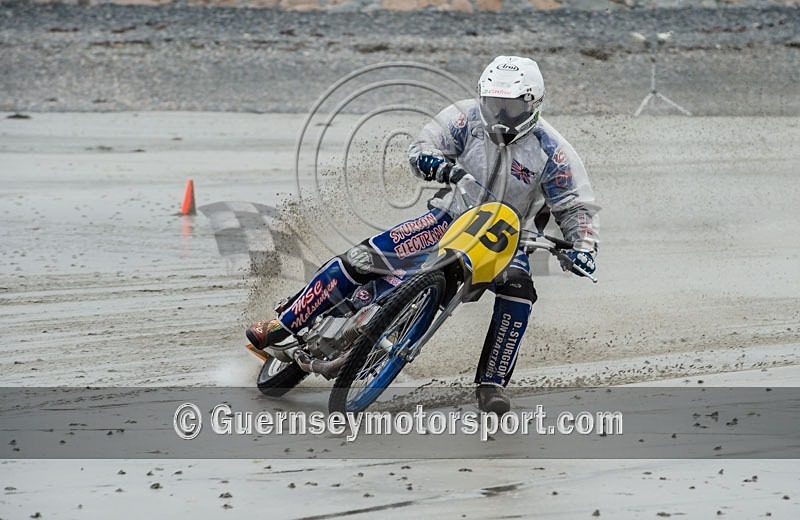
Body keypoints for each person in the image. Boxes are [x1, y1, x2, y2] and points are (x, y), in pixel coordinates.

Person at [247, 56, 599, 414]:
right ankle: (284, 322)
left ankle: (492, 383)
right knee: (363, 258)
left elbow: (575, 207)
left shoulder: (554, 152)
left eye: (510, 107)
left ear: (533, 104)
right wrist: (437, 164)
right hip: (448, 217)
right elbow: (423, 146)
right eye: (494, 104)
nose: (500, 114)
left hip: (506, 241)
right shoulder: (465, 118)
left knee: (520, 291)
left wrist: (584, 246)